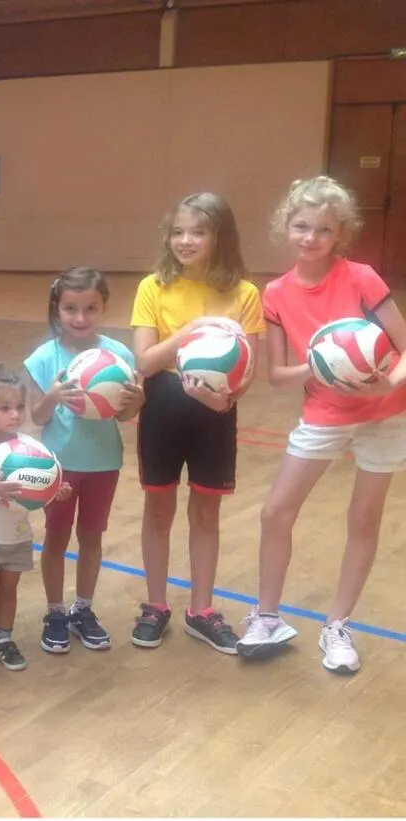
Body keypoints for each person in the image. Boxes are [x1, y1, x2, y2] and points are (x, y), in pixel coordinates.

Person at [236, 176, 406, 674]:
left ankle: (338, 625)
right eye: (301, 226)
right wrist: (325, 365)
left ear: (340, 234)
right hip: (324, 412)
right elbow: (277, 376)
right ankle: (267, 617)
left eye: (323, 229)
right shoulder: (276, 293)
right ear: (286, 228)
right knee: (275, 513)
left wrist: (385, 386)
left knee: (363, 518)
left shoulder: (362, 279)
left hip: (385, 413)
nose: (310, 237)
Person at [130, 193, 265, 653]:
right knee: (158, 509)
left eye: (198, 231)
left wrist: (226, 402)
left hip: (215, 413)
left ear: (219, 237)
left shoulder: (245, 294)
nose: (185, 240)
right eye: (178, 232)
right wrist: (192, 332)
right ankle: (155, 605)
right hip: (162, 406)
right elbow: (145, 362)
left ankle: (201, 610)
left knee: (207, 512)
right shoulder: (153, 286)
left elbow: (246, 370)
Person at [25, 267, 143, 654]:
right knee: (56, 538)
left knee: (92, 537)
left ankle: (84, 609)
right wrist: (52, 396)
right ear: (57, 308)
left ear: (104, 308)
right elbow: (38, 418)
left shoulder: (119, 356)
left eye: (90, 308)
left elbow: (124, 415)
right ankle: (55, 612)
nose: (79, 318)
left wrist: (137, 400)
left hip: (103, 463)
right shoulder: (45, 357)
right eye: (71, 308)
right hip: (59, 467)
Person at [0, 361, 72, 674]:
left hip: (17, 536)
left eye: (19, 407)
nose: (15, 415)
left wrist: (53, 491)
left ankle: (5, 641)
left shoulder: (29, 449)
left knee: (8, 591)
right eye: (4, 407)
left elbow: (41, 484)